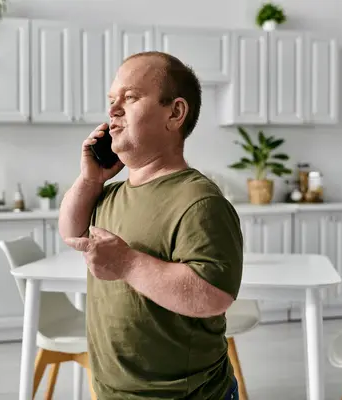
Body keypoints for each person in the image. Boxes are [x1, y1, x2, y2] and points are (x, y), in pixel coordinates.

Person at [58, 51, 243, 400]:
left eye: (130, 98)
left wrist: (127, 263)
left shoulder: (198, 200)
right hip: (113, 391)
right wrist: (89, 179)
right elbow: (70, 231)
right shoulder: (108, 193)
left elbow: (214, 296)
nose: (113, 110)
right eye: (112, 100)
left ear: (174, 113)